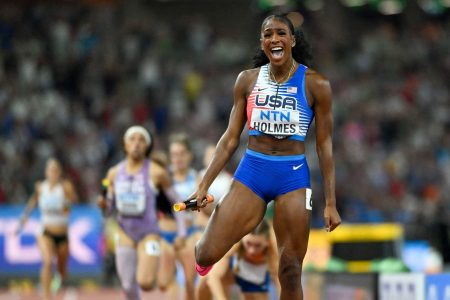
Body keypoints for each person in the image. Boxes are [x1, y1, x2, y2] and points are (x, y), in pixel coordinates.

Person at [191, 14, 342, 300]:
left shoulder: (316, 84)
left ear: (292, 40)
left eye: (281, 34)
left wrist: (331, 203)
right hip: (253, 171)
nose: (275, 39)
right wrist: (203, 187)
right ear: (262, 43)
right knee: (205, 252)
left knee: (290, 269)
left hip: (292, 175)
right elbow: (229, 139)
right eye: (268, 34)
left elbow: (325, 146)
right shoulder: (247, 80)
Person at [97, 125, 186, 300]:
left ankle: (158, 266)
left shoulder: (156, 172)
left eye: (141, 140)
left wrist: (181, 232)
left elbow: (177, 202)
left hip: (149, 234)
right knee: (128, 285)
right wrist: (103, 205)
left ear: (147, 146)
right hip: (125, 233)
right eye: (132, 139)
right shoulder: (114, 174)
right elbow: (108, 211)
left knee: (145, 282)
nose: (136, 143)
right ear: (125, 144)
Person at [16, 158, 78, 300]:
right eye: (50, 170)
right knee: (48, 261)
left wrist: (66, 205)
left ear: (59, 172)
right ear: (46, 172)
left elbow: (72, 203)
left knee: (62, 272)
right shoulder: (40, 187)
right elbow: (32, 202)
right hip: (45, 231)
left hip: (62, 234)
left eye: (56, 170)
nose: (53, 173)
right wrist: (23, 220)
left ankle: (57, 280)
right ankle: (45, 296)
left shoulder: (65, 186)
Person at [158, 133, 199, 300]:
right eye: (174, 154)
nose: (178, 158)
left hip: (188, 234)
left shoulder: (196, 178)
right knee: (163, 282)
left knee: (190, 281)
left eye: (182, 153)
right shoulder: (163, 177)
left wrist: (188, 205)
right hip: (164, 235)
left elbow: (204, 204)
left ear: (189, 155)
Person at [204, 219, 279, 300]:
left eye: (258, 245)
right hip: (231, 272)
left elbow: (281, 284)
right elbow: (213, 277)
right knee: (204, 281)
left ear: (267, 242)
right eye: (248, 243)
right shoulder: (234, 242)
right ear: (243, 238)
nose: (252, 250)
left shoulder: (274, 251)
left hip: (257, 278)